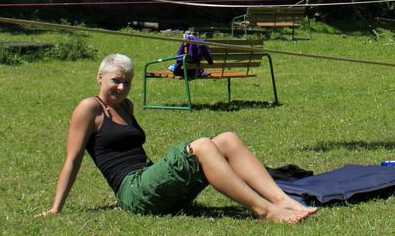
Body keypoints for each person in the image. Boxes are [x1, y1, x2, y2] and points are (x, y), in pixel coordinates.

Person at [37, 53, 316, 223]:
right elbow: (72, 160)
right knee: (203, 146)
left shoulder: (126, 106)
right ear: (100, 77)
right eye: (116, 80)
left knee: (227, 138)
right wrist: (55, 208)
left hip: (149, 183)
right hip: (133, 192)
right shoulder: (89, 108)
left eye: (128, 82)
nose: (122, 87)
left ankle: (283, 201)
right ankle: (265, 210)